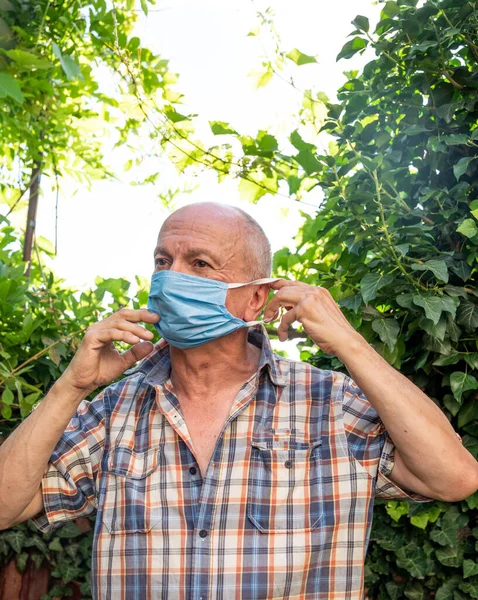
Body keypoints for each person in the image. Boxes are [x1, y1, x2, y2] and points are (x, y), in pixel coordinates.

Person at [0, 202, 476, 600]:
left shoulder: (330, 402)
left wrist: (350, 343)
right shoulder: (115, 408)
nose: (169, 280)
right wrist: (71, 386)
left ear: (255, 301)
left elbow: (454, 477)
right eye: (162, 261)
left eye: (200, 264)